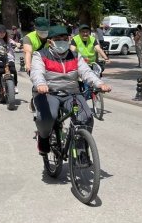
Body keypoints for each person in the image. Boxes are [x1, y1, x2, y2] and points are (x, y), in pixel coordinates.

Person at [30, 26, 111, 154]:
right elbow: (36, 72)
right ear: (50, 41)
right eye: (57, 39)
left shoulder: (75, 55)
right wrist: (40, 84)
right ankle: (44, 137)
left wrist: (99, 83)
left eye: (64, 38)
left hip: (72, 94)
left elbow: (86, 72)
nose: (62, 41)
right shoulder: (40, 55)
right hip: (49, 93)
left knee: (86, 117)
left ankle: (81, 150)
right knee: (47, 117)